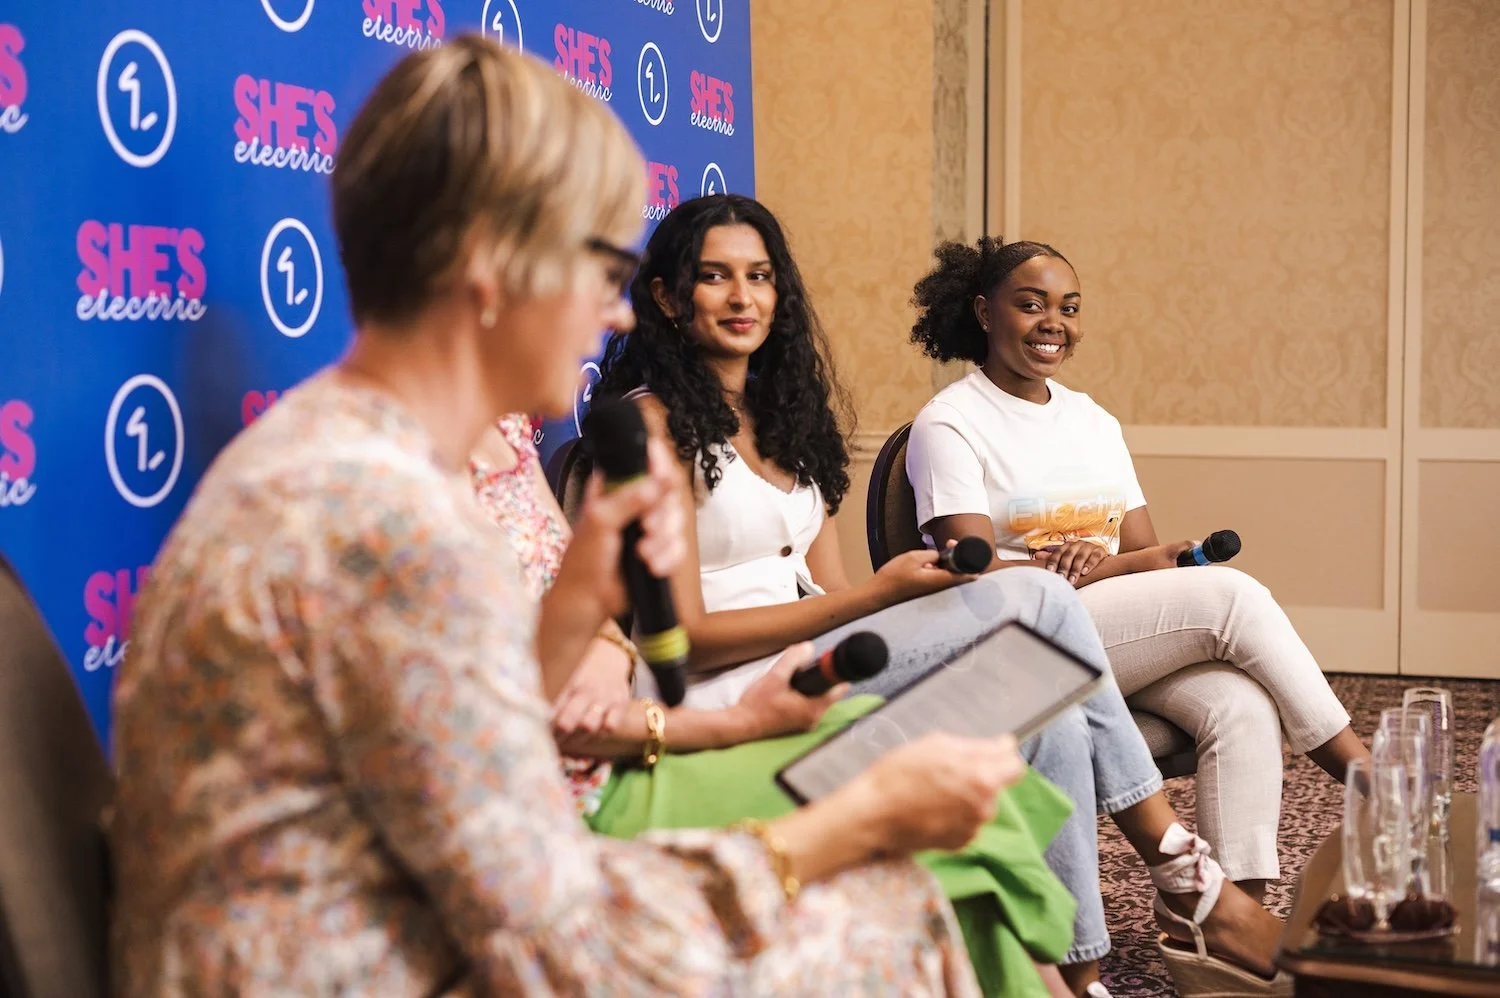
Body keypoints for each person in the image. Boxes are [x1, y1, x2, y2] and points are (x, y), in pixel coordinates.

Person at [108, 38, 1028, 997]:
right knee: (894, 900)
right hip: (375, 963)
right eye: (600, 265)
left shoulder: (350, 453)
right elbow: (564, 947)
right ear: (489, 265)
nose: (619, 314)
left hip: (400, 919)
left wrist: (585, 606)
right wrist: (860, 818)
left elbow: (467, 747)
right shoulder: (387, 524)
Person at [593, 195, 1290, 996]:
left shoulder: (787, 422)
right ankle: (1184, 875)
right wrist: (873, 602)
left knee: (1050, 695)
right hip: (726, 696)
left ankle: (1079, 970)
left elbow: (835, 591)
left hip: (819, 670)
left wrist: (896, 600)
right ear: (667, 298)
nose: (742, 297)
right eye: (713, 278)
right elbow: (680, 638)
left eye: (759, 277)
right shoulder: (651, 431)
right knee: (1041, 599)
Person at [471, 411, 1080, 998]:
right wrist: (728, 722)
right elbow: (511, 734)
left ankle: (1088, 963)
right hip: (589, 789)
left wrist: (605, 652)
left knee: (988, 739)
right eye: (601, 298)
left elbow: (586, 615)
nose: (613, 317)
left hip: (648, 728)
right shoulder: (408, 489)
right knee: (1035, 607)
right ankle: (1122, 922)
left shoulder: (507, 434)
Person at [904, 232, 1373, 936]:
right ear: (983, 311)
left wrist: (1126, 565)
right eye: (1030, 305)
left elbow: (1143, 553)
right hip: (1014, 640)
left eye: (1069, 307)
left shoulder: (1094, 421)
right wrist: (1110, 568)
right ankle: (1367, 779)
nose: (1052, 323)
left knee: (1241, 701)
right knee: (1233, 596)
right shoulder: (949, 423)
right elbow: (968, 574)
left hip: (1108, 635)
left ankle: (1223, 922)